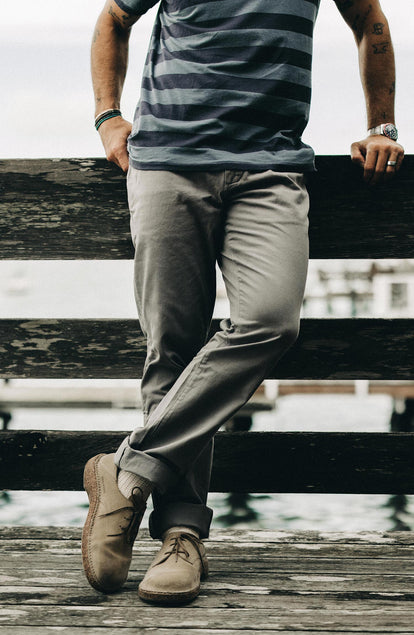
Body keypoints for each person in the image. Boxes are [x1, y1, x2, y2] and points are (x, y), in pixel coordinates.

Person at [82, 0, 404, 604]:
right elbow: (113, 19)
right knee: (172, 352)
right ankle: (180, 537)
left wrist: (382, 126)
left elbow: (371, 23)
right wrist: (107, 117)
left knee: (270, 321)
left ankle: (126, 473)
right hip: (168, 164)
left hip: (269, 168)